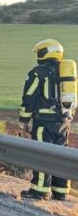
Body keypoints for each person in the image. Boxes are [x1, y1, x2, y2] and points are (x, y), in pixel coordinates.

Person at [19, 39, 71, 201]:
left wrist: (23, 121)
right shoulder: (66, 74)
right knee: (60, 155)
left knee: (42, 154)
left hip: (44, 122)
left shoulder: (38, 72)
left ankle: (39, 190)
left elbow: (29, 98)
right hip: (64, 122)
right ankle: (61, 190)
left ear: (45, 53)